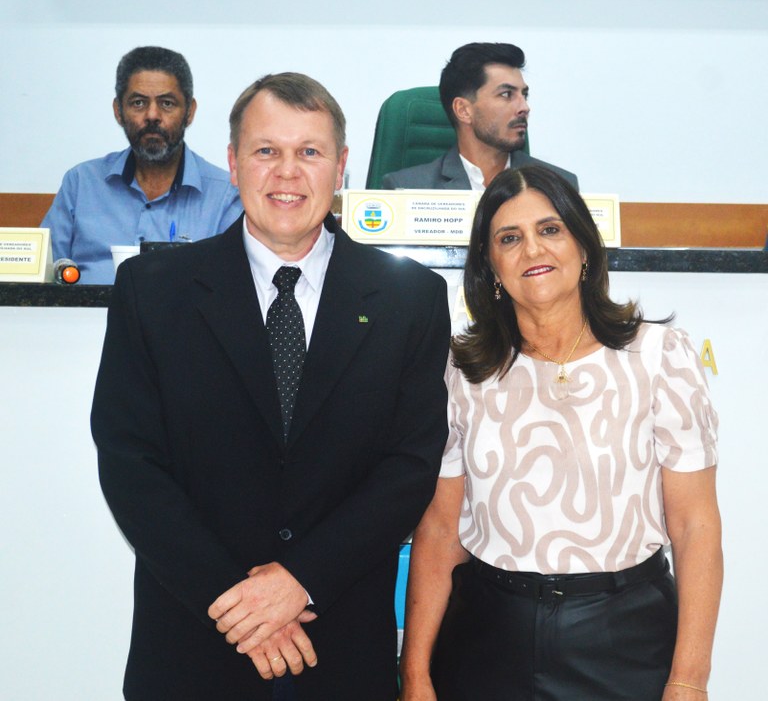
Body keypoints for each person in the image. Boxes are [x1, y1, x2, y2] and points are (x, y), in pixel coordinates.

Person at [91, 72, 450, 701]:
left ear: (340, 166)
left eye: (309, 151)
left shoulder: (411, 298)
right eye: (266, 151)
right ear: (233, 163)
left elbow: (409, 466)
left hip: (338, 648)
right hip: (192, 645)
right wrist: (236, 603)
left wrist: (299, 581)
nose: (288, 172)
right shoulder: (152, 290)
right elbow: (130, 463)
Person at [400, 166, 722, 701]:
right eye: (509, 238)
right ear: (490, 267)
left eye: (550, 230)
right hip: (485, 639)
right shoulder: (464, 371)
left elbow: (696, 527)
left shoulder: (660, 356)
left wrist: (689, 680)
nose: (532, 249)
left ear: (584, 247)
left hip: (625, 642)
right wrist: (415, 674)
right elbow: (439, 531)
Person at [42, 46, 241, 284]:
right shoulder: (81, 183)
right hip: (84, 309)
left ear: (189, 112)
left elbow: (231, 288)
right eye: (138, 103)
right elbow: (41, 276)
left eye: (167, 103)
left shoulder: (225, 196)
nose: (152, 115)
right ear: (118, 111)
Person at [381, 43, 578, 192]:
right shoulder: (407, 189)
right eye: (506, 94)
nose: (524, 107)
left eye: (524, 95)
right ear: (463, 110)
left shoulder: (561, 187)